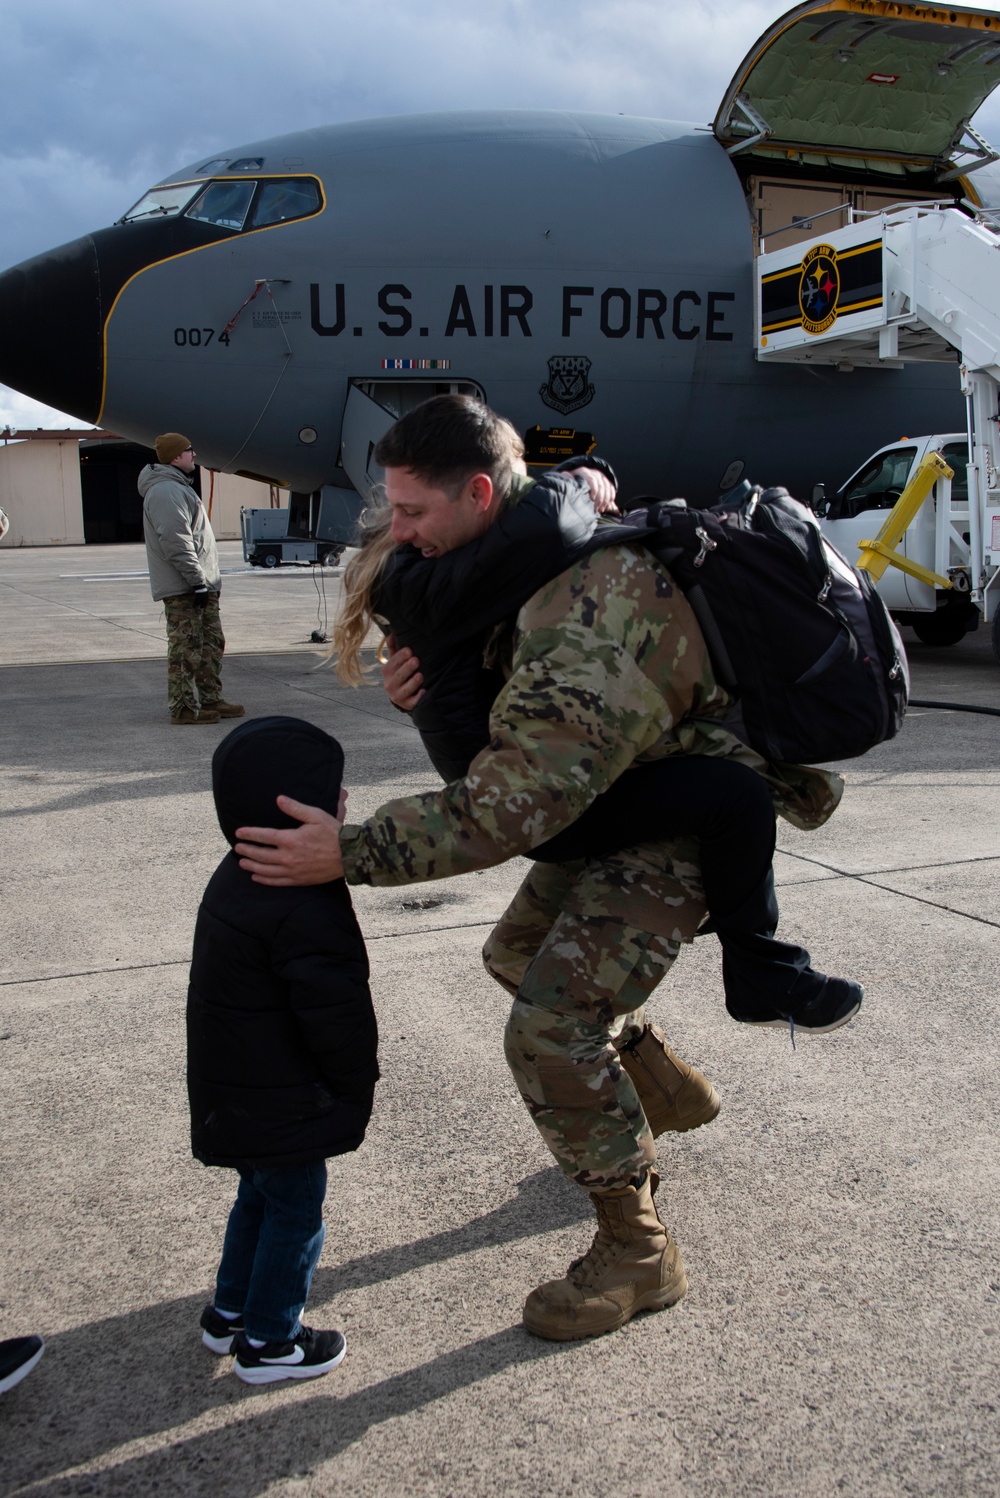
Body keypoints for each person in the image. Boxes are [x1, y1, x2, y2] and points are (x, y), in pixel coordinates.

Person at [233, 396, 851, 1343]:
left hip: (689, 810)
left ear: (479, 492)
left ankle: (639, 1253)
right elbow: (512, 738)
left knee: (549, 1030)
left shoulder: (590, 612)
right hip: (623, 792)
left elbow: (506, 807)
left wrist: (344, 853)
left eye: (410, 515)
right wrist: (430, 691)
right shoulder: (512, 559)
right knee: (518, 952)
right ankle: (663, 1090)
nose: (395, 535)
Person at [189, 716, 378, 1383]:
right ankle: (272, 1341)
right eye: (330, 791)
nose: (344, 800)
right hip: (287, 1102)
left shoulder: (236, 874)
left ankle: (230, 1310)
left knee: (258, 1197)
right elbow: (336, 1012)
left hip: (241, 1094)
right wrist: (358, 1083)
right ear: (292, 812)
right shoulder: (305, 901)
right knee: (295, 1209)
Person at [139, 433, 244, 726]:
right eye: (189, 450)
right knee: (186, 649)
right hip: (186, 587)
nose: (194, 454)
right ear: (175, 457)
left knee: (210, 644)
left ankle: (211, 699)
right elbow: (176, 540)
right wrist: (197, 581)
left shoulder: (178, 487)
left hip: (201, 585)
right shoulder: (165, 492)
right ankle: (183, 708)